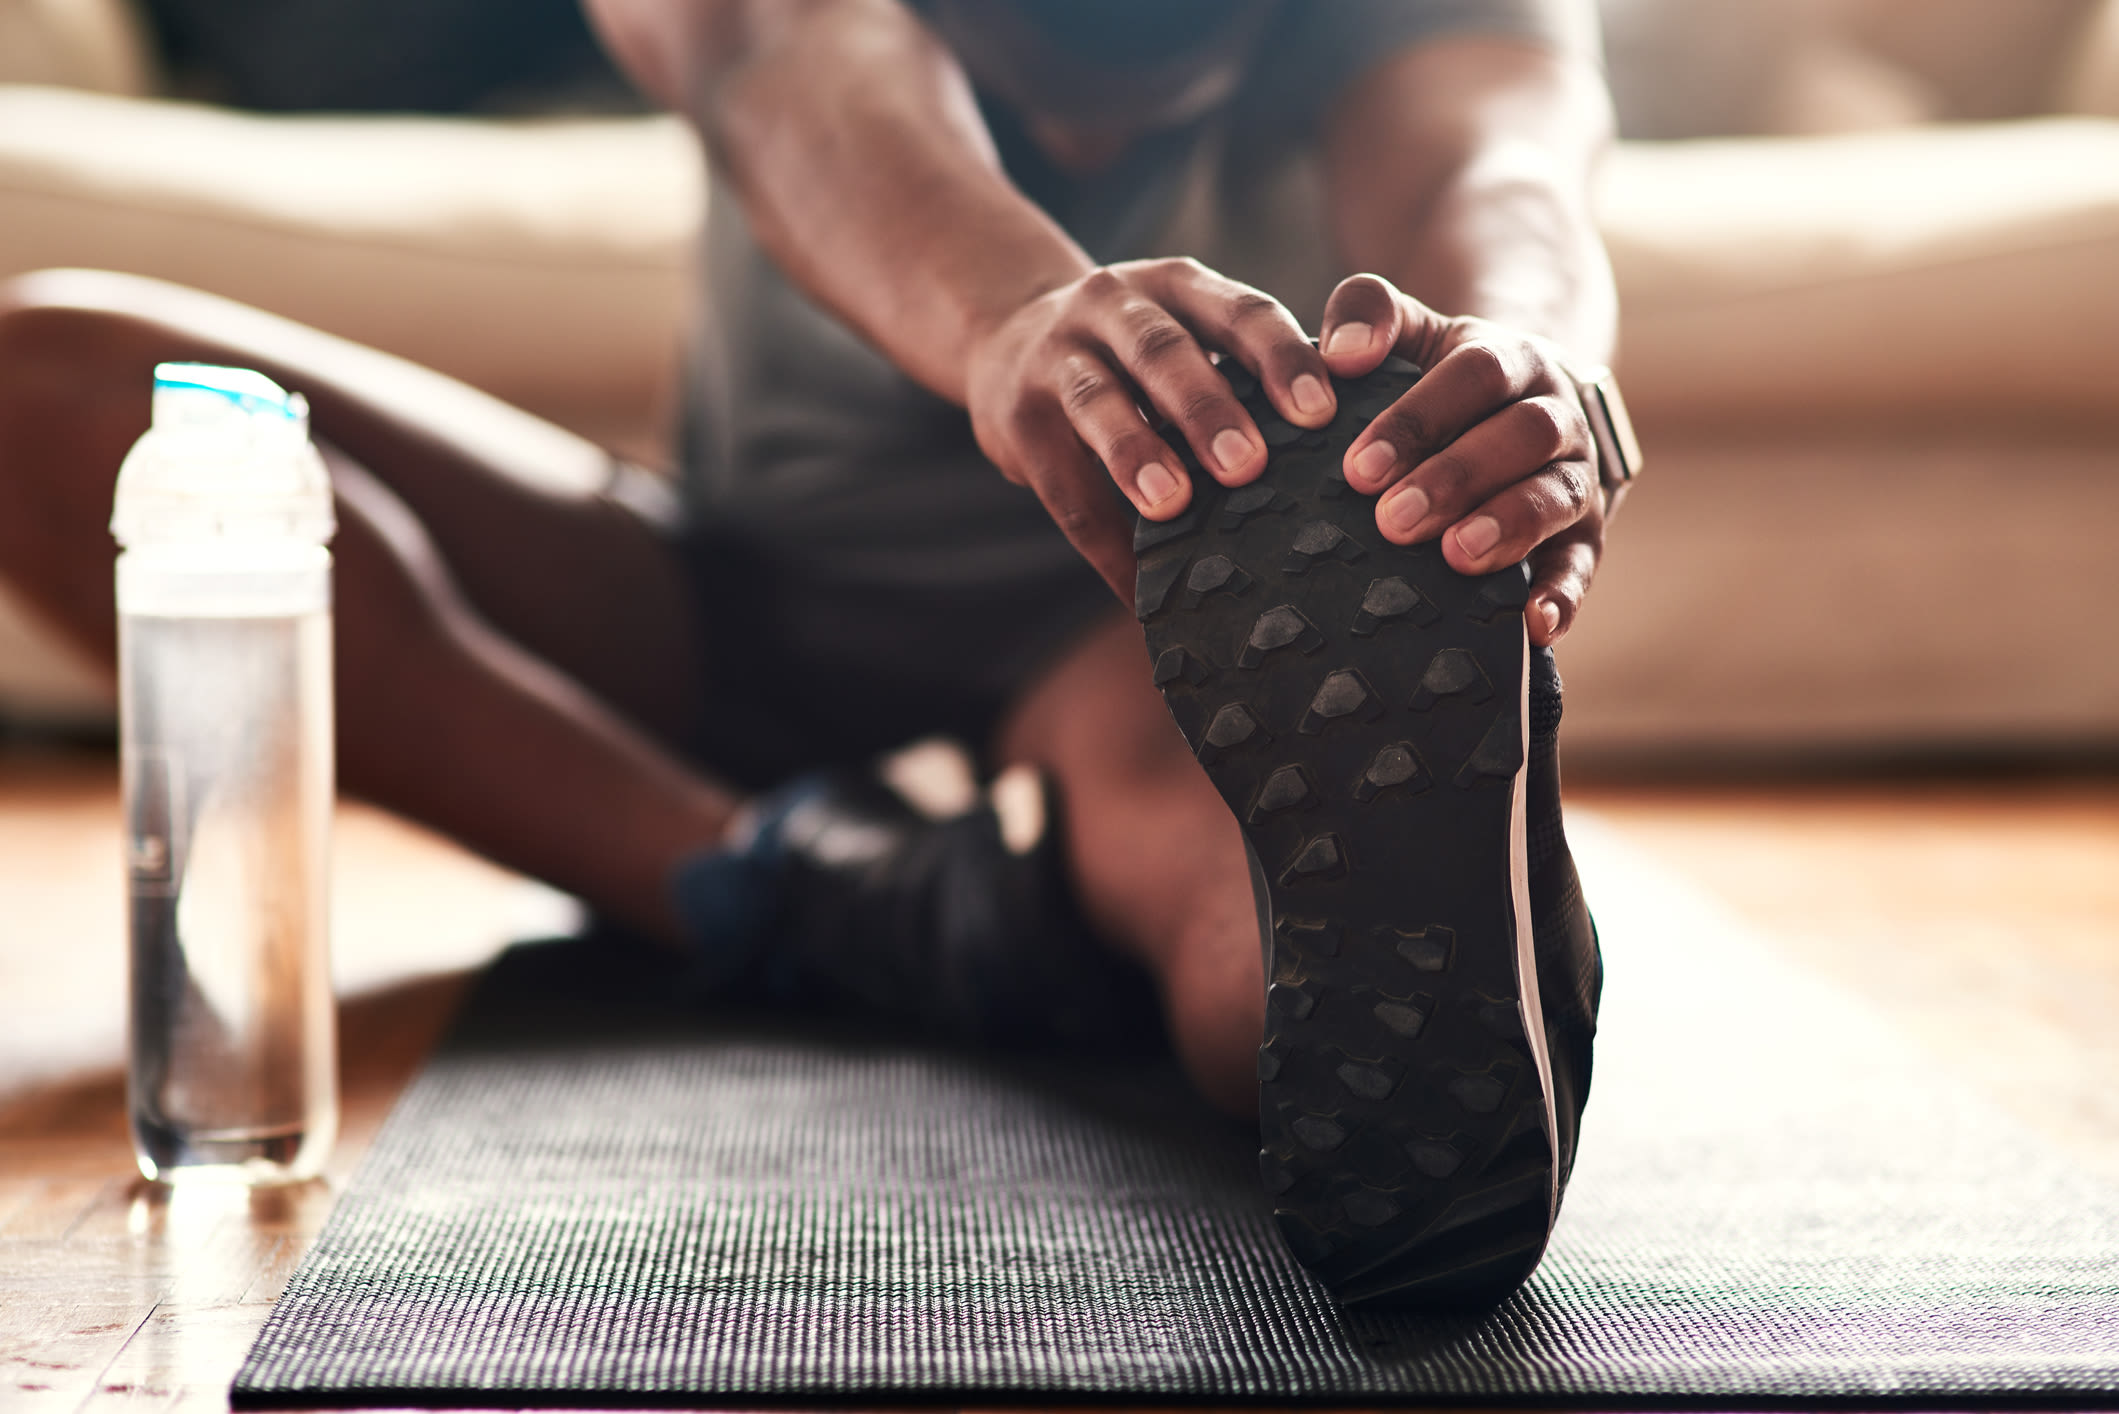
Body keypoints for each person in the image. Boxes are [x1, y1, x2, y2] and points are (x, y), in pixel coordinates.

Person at [0, 0, 1628, 1306]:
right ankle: (808, 886)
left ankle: (1435, 931)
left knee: (1273, 905)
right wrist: (1013, 320)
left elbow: (1492, 171)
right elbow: (793, 61)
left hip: (1143, 632)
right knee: (44, 391)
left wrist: (1525, 359)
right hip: (728, 602)